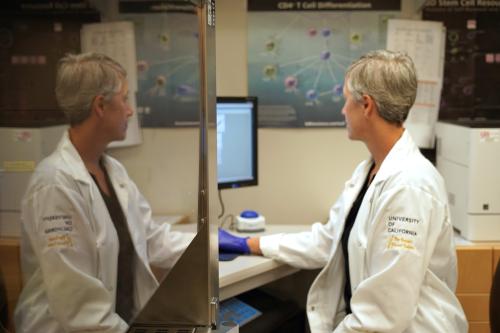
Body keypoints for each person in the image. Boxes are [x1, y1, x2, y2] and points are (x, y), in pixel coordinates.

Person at [219, 50, 468, 332]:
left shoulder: (409, 188)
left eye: (346, 98)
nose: (342, 109)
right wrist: (247, 244)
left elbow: (383, 318)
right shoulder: (370, 171)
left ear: (367, 106)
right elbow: (328, 240)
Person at [15, 53, 194, 333]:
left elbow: (152, 240)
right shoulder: (54, 185)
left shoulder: (113, 171)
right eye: (124, 99)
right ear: (100, 105)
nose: (130, 110)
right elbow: (79, 309)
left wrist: (221, 245)